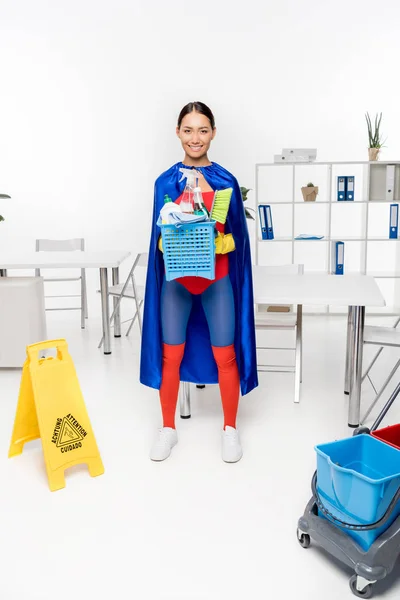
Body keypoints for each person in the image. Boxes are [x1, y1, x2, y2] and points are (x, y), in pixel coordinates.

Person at [140, 101, 258, 462]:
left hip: (217, 280)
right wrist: (172, 232)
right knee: (170, 354)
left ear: (213, 133)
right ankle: (167, 428)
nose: (195, 138)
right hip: (176, 282)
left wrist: (217, 237)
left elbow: (237, 240)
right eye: (188, 130)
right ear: (177, 133)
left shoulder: (225, 182)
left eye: (203, 130)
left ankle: (230, 429)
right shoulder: (165, 181)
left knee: (225, 355)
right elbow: (158, 241)